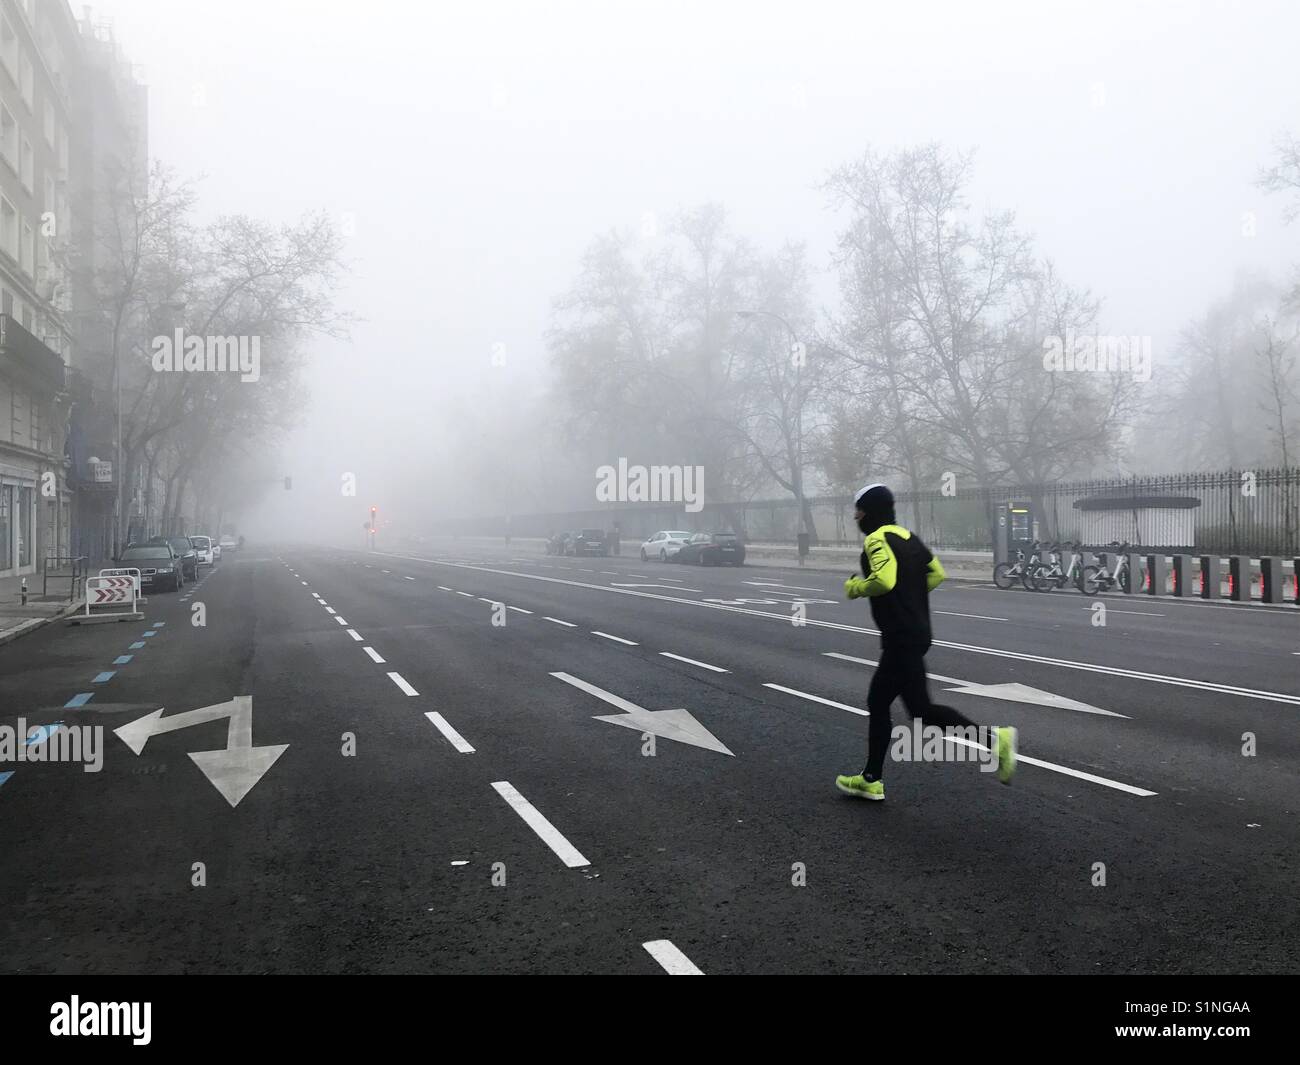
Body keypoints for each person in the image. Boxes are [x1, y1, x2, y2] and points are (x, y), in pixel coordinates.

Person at [835, 483, 1017, 801]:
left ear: (870, 511)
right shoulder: (909, 538)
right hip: (917, 633)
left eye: (859, 510)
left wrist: (856, 587)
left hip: (900, 638)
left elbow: (884, 580)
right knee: (920, 711)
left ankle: (872, 779)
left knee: (880, 703)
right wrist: (910, 598)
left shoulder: (876, 539)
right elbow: (937, 574)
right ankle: (873, 778)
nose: (856, 516)